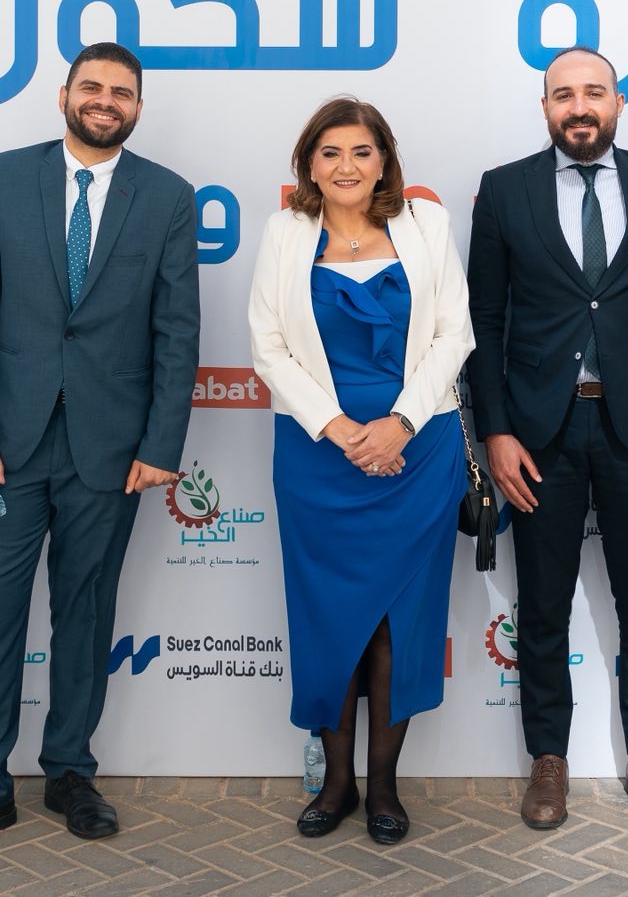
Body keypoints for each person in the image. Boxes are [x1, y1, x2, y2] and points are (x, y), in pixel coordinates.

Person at [0, 42, 201, 857]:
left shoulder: (168, 197)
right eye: (92, 87)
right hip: (4, 447)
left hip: (111, 450)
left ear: (138, 107)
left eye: (122, 92)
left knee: (86, 611)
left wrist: (161, 443)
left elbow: (178, 332)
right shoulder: (7, 177)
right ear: (64, 95)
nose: (106, 101)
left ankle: (70, 770)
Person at [464, 46, 628, 833]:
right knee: (544, 604)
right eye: (564, 95)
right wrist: (494, 429)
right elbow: (484, 319)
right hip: (538, 434)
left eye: (594, 92)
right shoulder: (505, 189)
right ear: (546, 107)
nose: (580, 106)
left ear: (618, 103)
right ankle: (548, 759)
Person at [248, 96, 473, 846]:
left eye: (362, 151)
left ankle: (383, 786)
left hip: (417, 449)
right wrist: (342, 429)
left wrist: (398, 424)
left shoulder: (426, 224)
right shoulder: (284, 232)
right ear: (308, 165)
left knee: (399, 623)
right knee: (328, 619)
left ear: (384, 162)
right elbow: (268, 347)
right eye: (331, 152)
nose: (346, 166)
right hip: (319, 454)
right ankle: (336, 785)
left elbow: (453, 334)